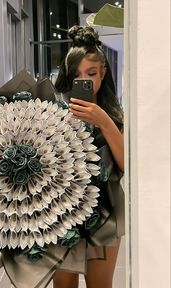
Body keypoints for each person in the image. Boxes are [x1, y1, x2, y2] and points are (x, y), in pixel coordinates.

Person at [53, 25, 124, 288]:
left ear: (103, 73)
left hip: (106, 213)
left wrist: (104, 122)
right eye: (77, 75)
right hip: (61, 213)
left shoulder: (117, 117)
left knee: (100, 285)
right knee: (63, 283)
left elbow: (127, 165)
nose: (85, 81)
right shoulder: (55, 113)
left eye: (91, 73)